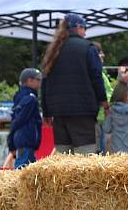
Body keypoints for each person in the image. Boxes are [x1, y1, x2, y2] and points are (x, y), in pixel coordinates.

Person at [41, 13, 108, 155]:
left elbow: (45, 82)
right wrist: (103, 101)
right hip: (83, 111)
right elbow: (96, 77)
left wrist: (46, 111)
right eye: (85, 28)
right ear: (78, 27)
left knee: (64, 156)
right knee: (86, 157)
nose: (85, 32)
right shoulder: (88, 48)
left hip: (58, 113)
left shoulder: (53, 50)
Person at [6, 68, 43, 168]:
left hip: (23, 139)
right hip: (26, 139)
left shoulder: (20, 97)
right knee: (23, 168)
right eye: (38, 80)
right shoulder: (30, 99)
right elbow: (19, 120)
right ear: (29, 81)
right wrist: (10, 140)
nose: (40, 83)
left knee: (29, 168)